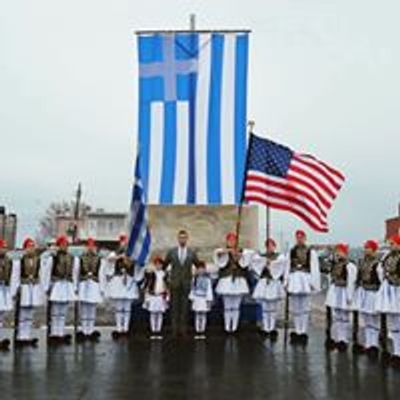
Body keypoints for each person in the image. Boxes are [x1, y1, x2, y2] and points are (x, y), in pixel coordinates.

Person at [162, 230, 200, 338]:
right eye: (180, 238)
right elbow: (165, 265)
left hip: (186, 283)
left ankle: (183, 330)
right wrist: (167, 279)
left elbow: (198, 265)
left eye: (184, 238)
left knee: (185, 307)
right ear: (178, 239)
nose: (182, 240)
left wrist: (194, 276)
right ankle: (174, 330)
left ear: (187, 239)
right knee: (174, 307)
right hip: (174, 283)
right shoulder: (172, 252)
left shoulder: (191, 252)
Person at [286, 230, 321, 344]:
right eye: (297, 237)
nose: (299, 239)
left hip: (305, 279)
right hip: (295, 279)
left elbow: (314, 268)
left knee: (305, 307)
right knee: (296, 307)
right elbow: (287, 267)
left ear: (305, 238)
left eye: (301, 237)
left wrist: (313, 283)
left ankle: (303, 331)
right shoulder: (291, 251)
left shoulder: (311, 252)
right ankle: (297, 330)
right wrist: (286, 281)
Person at [42, 235, 78, 345]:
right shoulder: (53, 258)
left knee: (63, 311)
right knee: (55, 311)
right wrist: (46, 286)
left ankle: (61, 332)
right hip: (57, 284)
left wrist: (75, 287)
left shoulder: (72, 257)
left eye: (66, 245)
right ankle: (54, 333)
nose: (65, 247)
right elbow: (47, 273)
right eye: (62, 245)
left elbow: (74, 273)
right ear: (58, 246)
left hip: (66, 284)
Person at [214, 232, 251, 334]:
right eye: (230, 240)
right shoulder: (223, 251)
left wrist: (239, 255)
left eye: (233, 240)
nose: (231, 242)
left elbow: (246, 259)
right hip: (226, 280)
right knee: (227, 306)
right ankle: (227, 327)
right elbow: (219, 257)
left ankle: (234, 327)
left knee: (236, 306)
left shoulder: (241, 251)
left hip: (238, 280)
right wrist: (229, 251)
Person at [12, 238, 46, 347]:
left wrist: (41, 288)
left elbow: (40, 275)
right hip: (24, 287)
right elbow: (15, 276)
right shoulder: (20, 261)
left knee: (30, 312)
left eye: (32, 247)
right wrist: (15, 290)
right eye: (29, 247)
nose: (31, 249)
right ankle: (20, 336)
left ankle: (27, 335)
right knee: (23, 313)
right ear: (25, 248)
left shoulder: (38, 260)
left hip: (33, 287)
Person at [251, 238, 287, 340]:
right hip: (264, 282)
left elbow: (280, 265)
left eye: (271, 245)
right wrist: (264, 263)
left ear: (274, 246)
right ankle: (266, 327)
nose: (269, 247)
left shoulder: (279, 256)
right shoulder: (262, 256)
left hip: (274, 282)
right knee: (265, 307)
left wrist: (270, 263)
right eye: (267, 245)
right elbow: (256, 263)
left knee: (273, 307)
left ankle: (272, 327)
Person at [325, 243, 357, 352]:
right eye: (337, 252)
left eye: (340, 251)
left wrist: (349, 295)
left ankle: (344, 339)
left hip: (344, 291)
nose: (338, 254)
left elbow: (351, 282)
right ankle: (338, 338)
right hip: (336, 291)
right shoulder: (334, 264)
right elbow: (331, 278)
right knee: (337, 316)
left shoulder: (349, 265)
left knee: (345, 317)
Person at [106, 234, 139, 339]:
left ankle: (126, 328)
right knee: (119, 306)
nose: (123, 244)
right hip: (118, 280)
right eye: (122, 242)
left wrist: (128, 257)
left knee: (127, 307)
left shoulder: (132, 254)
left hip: (128, 280)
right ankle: (119, 328)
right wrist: (120, 256)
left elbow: (136, 262)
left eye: (125, 242)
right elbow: (110, 259)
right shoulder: (115, 253)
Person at [353, 240, 381, 357]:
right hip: (364, 292)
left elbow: (381, 279)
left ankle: (374, 345)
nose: (366, 250)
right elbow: (358, 277)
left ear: (373, 250)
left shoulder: (378, 263)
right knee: (366, 320)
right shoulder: (361, 262)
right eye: (365, 247)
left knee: (374, 320)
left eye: (368, 248)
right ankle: (368, 344)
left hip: (374, 293)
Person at [376, 234, 400, 368]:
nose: (391, 246)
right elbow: (381, 271)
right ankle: (397, 353)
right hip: (390, 291)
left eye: (393, 244)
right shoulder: (387, 256)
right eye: (390, 244)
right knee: (394, 323)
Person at [76, 238, 106, 342]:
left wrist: (102, 288)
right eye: (89, 246)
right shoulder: (80, 258)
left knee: (92, 309)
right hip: (84, 284)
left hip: (94, 284)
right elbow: (76, 273)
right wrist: (76, 287)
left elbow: (102, 274)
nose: (90, 248)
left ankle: (91, 330)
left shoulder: (100, 259)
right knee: (84, 309)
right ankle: (84, 330)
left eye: (92, 246)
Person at [143, 256, 169, 340]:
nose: (158, 266)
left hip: (161, 296)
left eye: (160, 264)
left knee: (160, 314)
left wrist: (168, 296)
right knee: (153, 314)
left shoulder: (165, 274)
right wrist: (146, 297)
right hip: (153, 295)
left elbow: (167, 286)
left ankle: (158, 330)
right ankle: (153, 330)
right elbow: (147, 286)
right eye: (156, 264)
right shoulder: (151, 274)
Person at [189, 261, 213, 339]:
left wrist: (209, 299)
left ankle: (202, 330)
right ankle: (197, 330)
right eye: (199, 269)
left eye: (202, 269)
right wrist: (192, 298)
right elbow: (192, 289)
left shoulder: (207, 279)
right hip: (197, 298)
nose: (200, 270)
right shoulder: (194, 279)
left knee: (203, 314)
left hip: (204, 298)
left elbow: (209, 290)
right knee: (197, 314)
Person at [0, 239, 12, 351]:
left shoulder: (8, 260)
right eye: (2, 247)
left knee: (1, 313)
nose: (4, 249)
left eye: (5, 248)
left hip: (4, 287)